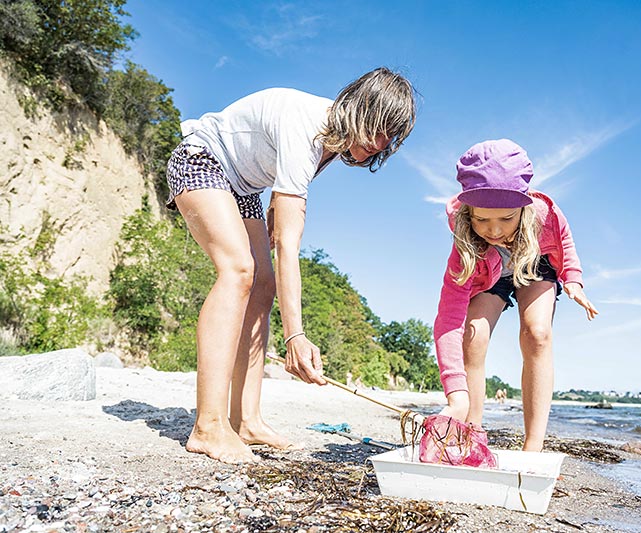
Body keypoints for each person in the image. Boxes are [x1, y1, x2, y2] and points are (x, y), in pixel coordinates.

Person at [165, 67, 416, 463]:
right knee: (238, 270)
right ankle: (208, 426)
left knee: (262, 284)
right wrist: (295, 336)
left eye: (390, 136)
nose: (380, 142)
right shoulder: (308, 126)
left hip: (242, 186)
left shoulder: (331, 145)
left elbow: (277, 216)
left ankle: (245, 419)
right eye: (379, 128)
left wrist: (268, 242)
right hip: (200, 160)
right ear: (357, 108)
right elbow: (287, 241)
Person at [433, 139, 598, 453]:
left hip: (534, 261)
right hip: (489, 272)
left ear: (522, 209)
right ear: (469, 214)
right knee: (473, 334)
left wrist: (573, 280)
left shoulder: (545, 213)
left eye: (506, 219)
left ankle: (533, 447)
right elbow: (447, 322)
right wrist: (455, 394)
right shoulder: (467, 244)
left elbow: (565, 240)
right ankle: (471, 434)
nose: (494, 231)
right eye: (482, 219)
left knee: (536, 333)